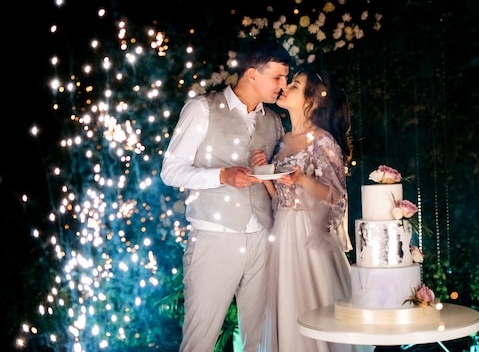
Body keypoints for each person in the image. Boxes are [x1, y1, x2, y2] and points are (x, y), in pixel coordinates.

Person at [160, 38, 291, 352]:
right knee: (200, 339)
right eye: (278, 77)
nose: (283, 86)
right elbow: (170, 171)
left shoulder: (273, 121)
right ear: (252, 74)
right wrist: (221, 175)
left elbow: (278, 181)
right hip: (214, 237)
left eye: (285, 78)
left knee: (260, 341)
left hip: (263, 236)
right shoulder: (201, 108)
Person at [250, 69, 373, 352]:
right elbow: (278, 196)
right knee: (286, 305)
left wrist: (301, 178)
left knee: (313, 306)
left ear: (311, 102)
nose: (286, 87)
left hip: (308, 234)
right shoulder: (281, 142)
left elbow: (336, 194)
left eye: (294, 84)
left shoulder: (322, 140)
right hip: (282, 233)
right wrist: (263, 171)